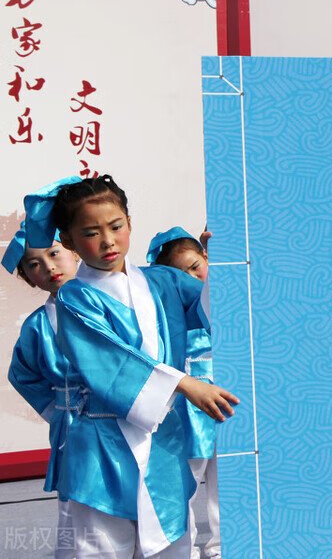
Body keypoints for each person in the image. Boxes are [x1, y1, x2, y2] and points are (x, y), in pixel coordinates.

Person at [22, 175, 239, 557]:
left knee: (174, 542)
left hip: (163, 440)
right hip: (102, 445)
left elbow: (212, 311)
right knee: (100, 548)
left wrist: (219, 262)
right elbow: (111, 360)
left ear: (129, 223)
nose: (107, 241)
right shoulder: (75, 297)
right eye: (91, 232)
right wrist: (186, 384)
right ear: (70, 242)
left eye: (116, 226)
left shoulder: (164, 281)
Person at [4, 224, 80, 557]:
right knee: (74, 503)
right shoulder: (36, 325)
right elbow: (22, 374)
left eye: (54, 254)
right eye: (34, 264)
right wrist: (57, 410)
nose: (49, 267)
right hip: (74, 427)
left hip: (124, 418)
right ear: (26, 277)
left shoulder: (119, 302)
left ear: (74, 250)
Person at [148, 227, 221, 559]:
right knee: (183, 486)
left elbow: (210, 304)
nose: (190, 278)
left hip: (225, 406)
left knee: (228, 485)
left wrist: (218, 262)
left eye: (196, 267)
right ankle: (183, 550)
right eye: (178, 274)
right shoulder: (167, 317)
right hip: (187, 414)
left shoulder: (216, 303)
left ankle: (223, 547)